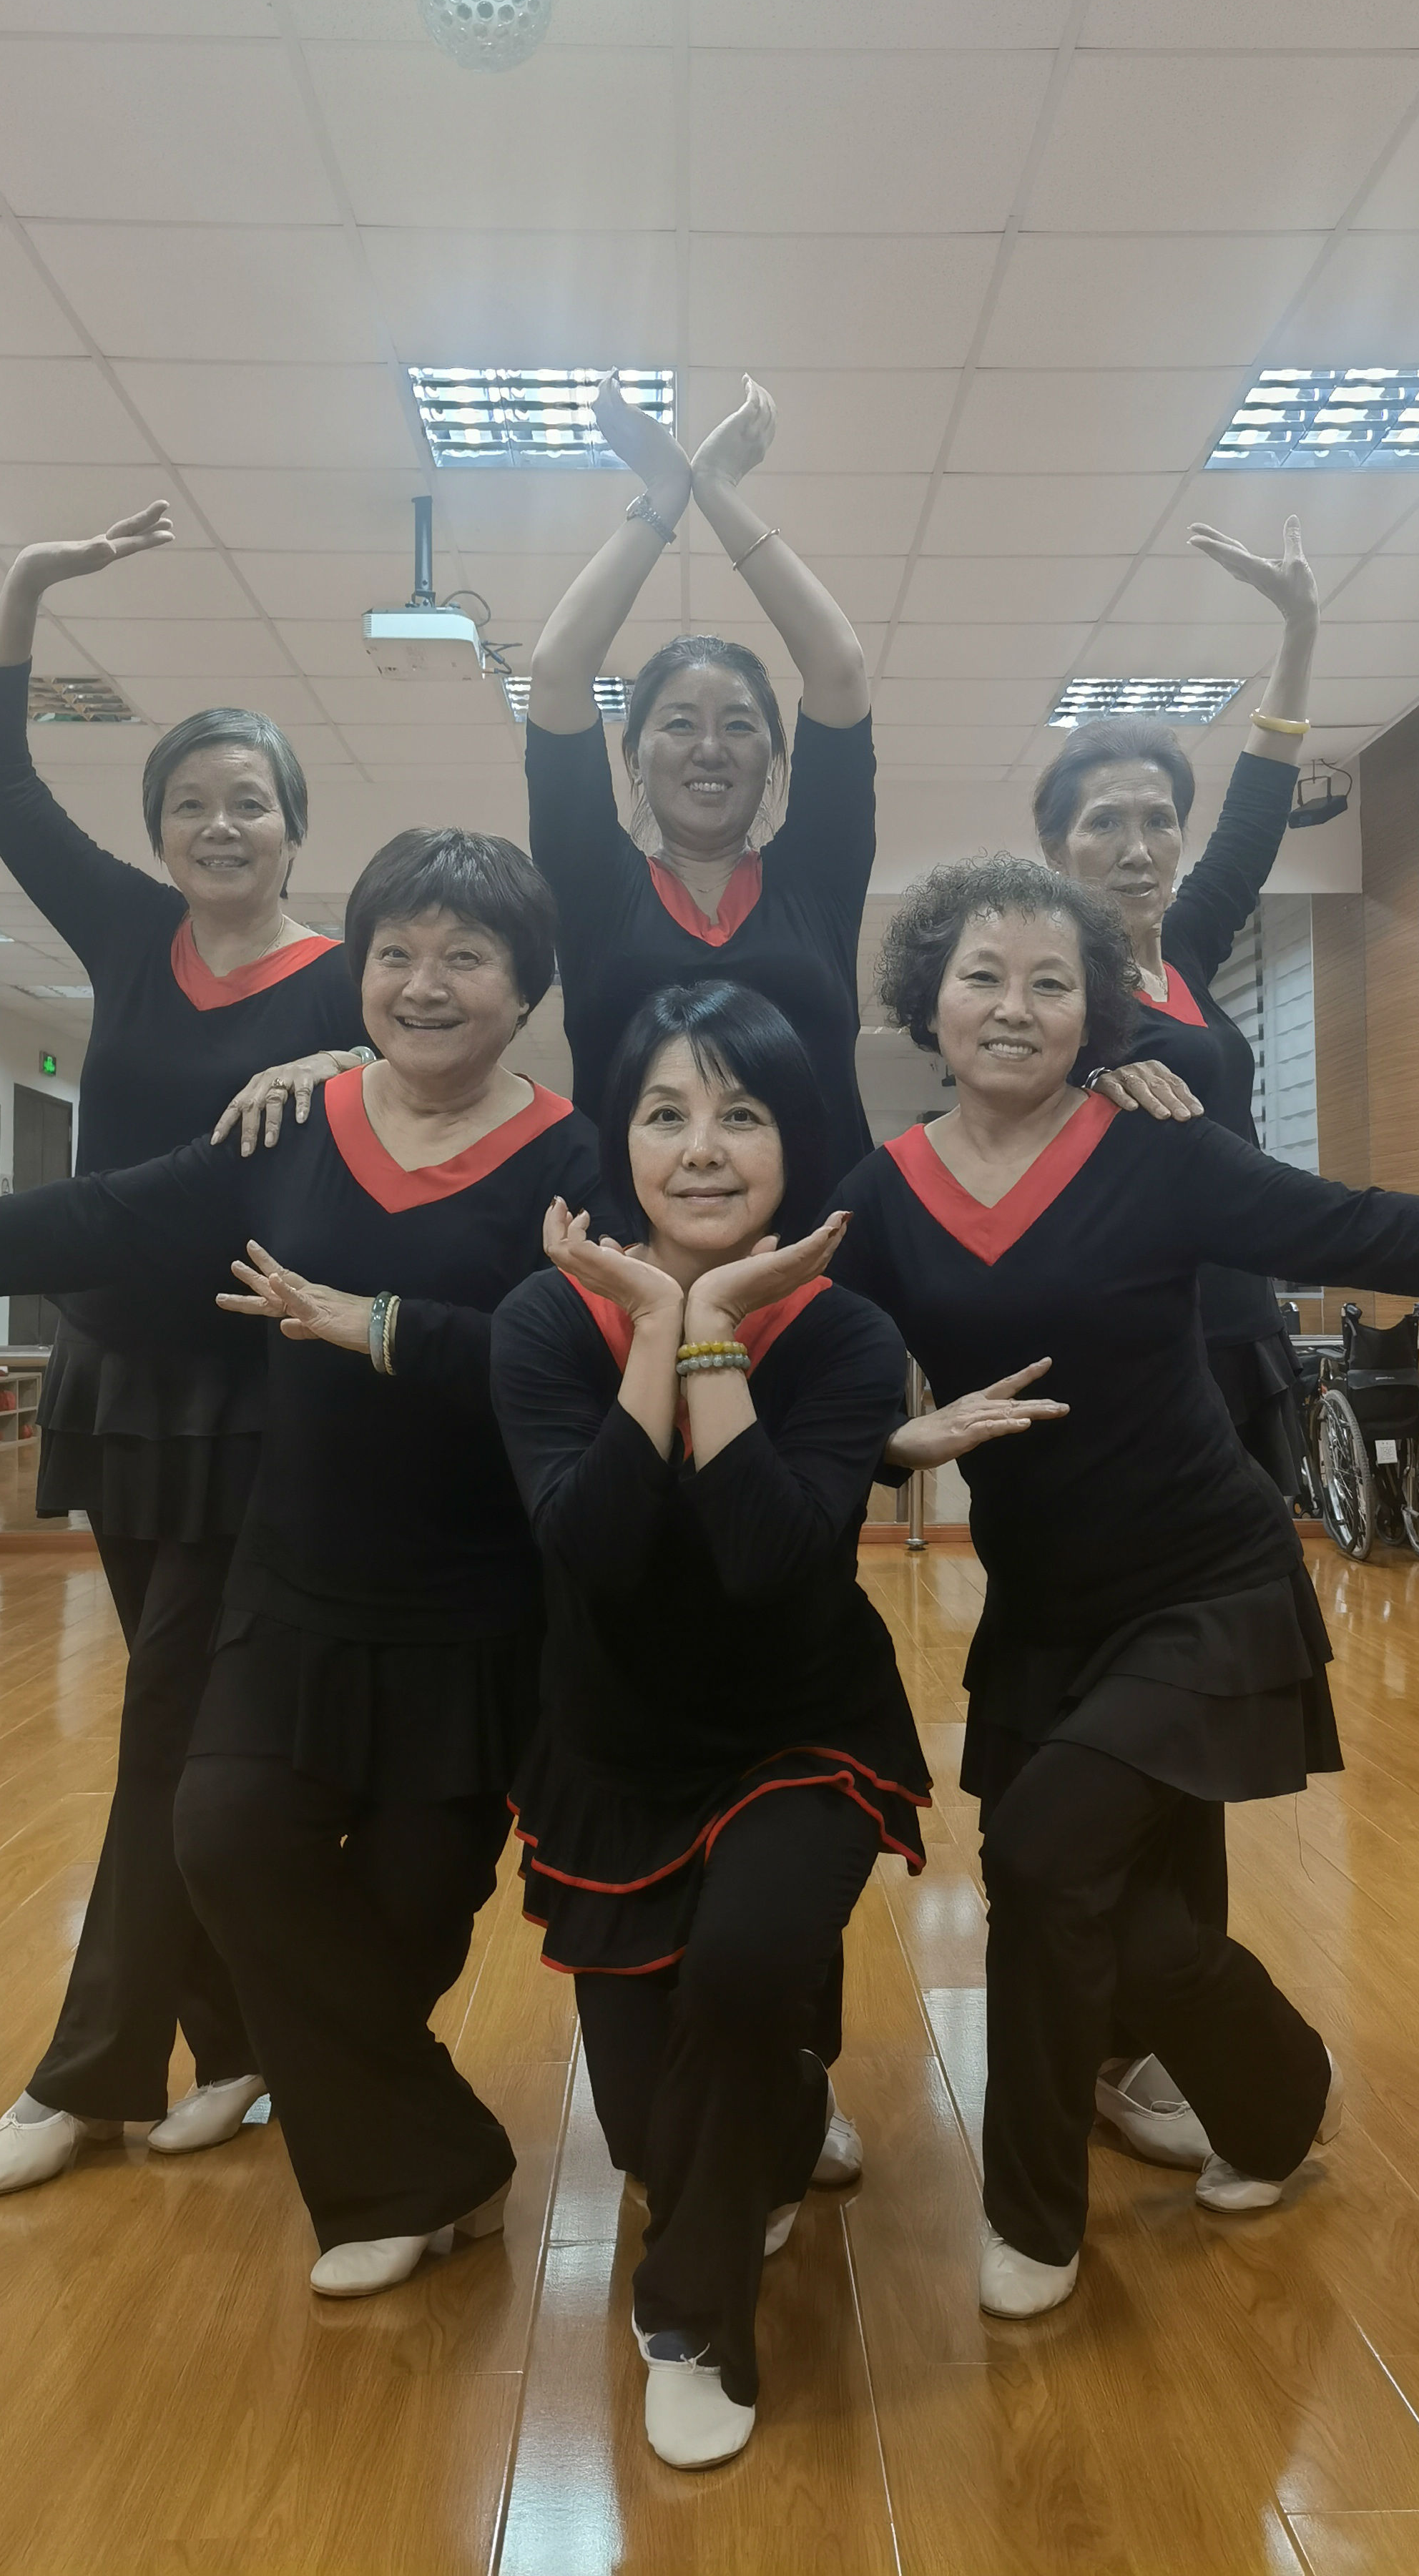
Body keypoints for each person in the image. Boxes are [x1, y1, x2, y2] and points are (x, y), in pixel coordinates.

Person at [837, 855, 1419, 2321]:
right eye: (983, 975)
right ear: (929, 998)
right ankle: (1280, 2106)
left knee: (1035, 1856)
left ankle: (1030, 2217)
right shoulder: (884, 1193)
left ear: (1095, 1011)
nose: (1014, 1006)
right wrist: (870, 1438)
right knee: (1121, 1917)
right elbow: (811, 1356)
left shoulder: (1154, 1149)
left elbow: (1366, 1225)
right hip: (1045, 1610)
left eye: (1050, 982)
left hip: (1199, 1582)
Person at [0, 830, 604, 2297]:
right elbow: (104, 1213)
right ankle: (435, 2160)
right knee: (227, 1836)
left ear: (526, 987)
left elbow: (569, 1355)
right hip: (291, 1579)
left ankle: (408, 2172)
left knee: (408, 1916)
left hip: (472, 1608)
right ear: (361, 970)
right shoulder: (300, 1123)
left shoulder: (572, 1157)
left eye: (466, 955)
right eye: (395, 951)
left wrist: (381, 1326)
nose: (423, 982)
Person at [0, 503, 369, 2197]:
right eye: (189, 801)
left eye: (247, 799)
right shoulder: (128, 936)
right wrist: (26, 590)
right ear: (161, 830)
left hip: (258, 1389)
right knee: (183, 1722)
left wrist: (348, 1068)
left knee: (168, 1724)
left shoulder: (351, 980)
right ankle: (236, 2038)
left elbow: (443, 1087)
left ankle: (88, 2074)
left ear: (292, 825)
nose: (218, 823)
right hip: (118, 1382)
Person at [488, 982, 930, 2469]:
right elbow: (595, 1548)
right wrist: (654, 1329)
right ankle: (785, 2104)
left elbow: (768, 1559)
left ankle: (690, 2322)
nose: (701, 1147)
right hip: (614, 1747)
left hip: (801, 1726)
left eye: (741, 1114)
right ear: (620, 1139)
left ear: (793, 1139)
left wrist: (716, 1333)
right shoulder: (539, 1319)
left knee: (741, 1970)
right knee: (646, 2133)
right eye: (665, 1112)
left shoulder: (849, 1332)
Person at [1031, 515, 1320, 2175]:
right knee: (1112, 1707)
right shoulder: (1041, 995)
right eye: (1104, 822)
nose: (1137, 846)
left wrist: (1293, 634)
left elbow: (1261, 807)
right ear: (1052, 849)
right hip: (1121, 1383)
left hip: (1235, 1355)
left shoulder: (1186, 954)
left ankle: (1153, 2019)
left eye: (1155, 818)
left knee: (1194, 1716)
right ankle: (1128, 2011)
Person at [524, 373, 880, 1169]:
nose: (710, 748)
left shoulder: (818, 878)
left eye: (740, 726)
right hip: (634, 1238)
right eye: (679, 724)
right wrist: (662, 494)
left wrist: (717, 490)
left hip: (825, 1237)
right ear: (634, 756)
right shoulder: (592, 883)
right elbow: (557, 669)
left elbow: (838, 666)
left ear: (776, 757)